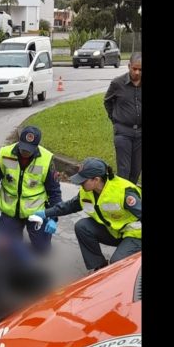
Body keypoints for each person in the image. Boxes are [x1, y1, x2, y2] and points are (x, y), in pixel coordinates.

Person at [34, 157, 141, 271]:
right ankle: (99, 267)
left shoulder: (123, 192)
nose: (80, 183)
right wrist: (45, 213)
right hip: (115, 232)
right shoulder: (87, 192)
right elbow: (69, 206)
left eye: (83, 181)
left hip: (135, 235)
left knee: (117, 264)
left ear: (96, 179)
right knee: (82, 226)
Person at [0, 125, 62, 255]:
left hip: (36, 213)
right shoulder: (5, 154)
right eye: (23, 148)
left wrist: (53, 217)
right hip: (11, 212)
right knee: (1, 248)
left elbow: (54, 192)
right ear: (19, 142)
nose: (25, 152)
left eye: (29, 150)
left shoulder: (46, 159)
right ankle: (14, 238)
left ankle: (28, 241)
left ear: (37, 147)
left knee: (42, 249)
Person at [103, 52, 142, 183]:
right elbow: (107, 102)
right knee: (124, 170)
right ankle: (123, 194)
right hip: (123, 132)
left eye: (140, 69)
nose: (137, 72)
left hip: (140, 134)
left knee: (136, 170)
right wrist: (115, 119)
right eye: (134, 68)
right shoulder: (117, 83)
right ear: (129, 66)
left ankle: (130, 194)